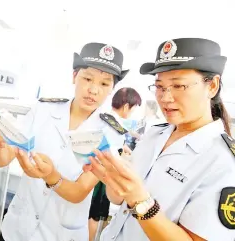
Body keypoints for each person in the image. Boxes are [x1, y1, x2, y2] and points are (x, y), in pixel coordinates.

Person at [84, 38, 235, 241]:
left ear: (212, 86)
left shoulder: (224, 163)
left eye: (179, 86)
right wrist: (113, 179)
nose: (165, 97)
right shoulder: (155, 134)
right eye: (159, 86)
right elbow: (118, 199)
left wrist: (141, 201)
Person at [0, 42, 130, 241]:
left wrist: (51, 176)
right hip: (17, 229)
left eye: (104, 84)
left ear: (112, 88)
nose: (94, 90)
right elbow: (3, 159)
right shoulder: (43, 109)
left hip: (60, 234)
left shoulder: (111, 132)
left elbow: (79, 191)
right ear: (74, 76)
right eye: (87, 78)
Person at [88, 87, 142, 241]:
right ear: (126, 107)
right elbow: (110, 153)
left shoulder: (102, 117)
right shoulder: (116, 126)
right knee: (97, 214)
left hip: (91, 170)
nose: (132, 113)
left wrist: (123, 147)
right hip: (102, 175)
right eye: (133, 109)